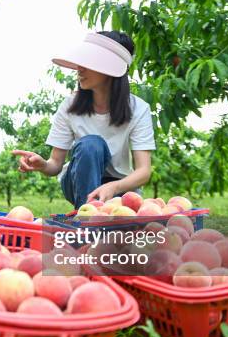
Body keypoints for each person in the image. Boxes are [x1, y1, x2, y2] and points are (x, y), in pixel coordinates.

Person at [12, 31, 155, 209]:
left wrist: (114, 186)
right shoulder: (70, 106)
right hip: (76, 182)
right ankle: (87, 220)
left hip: (119, 187)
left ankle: (92, 220)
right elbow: (55, 164)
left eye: (89, 62)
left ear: (110, 68)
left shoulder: (138, 109)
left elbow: (143, 171)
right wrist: (43, 165)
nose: (79, 68)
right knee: (91, 144)